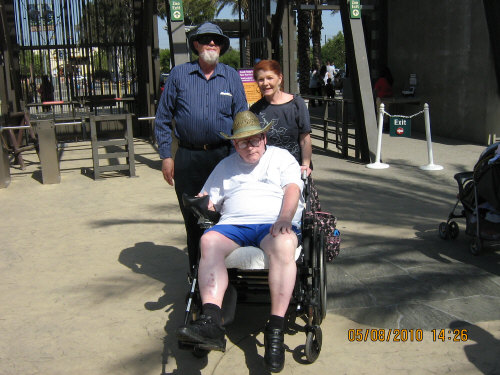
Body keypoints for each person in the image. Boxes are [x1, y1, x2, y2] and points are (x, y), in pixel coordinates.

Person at [177, 111, 304, 373]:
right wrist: (203, 203)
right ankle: (211, 321)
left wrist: (284, 218)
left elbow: (292, 189)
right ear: (234, 144)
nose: (250, 146)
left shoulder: (281, 158)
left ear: (264, 137)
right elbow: (210, 201)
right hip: (233, 224)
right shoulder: (224, 166)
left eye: (255, 140)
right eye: (242, 142)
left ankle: (276, 328)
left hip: (273, 222)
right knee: (209, 241)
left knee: (283, 245)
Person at [155, 22, 248, 272]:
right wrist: (166, 156)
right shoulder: (179, 75)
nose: (211, 44)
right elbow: (163, 118)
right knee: (193, 220)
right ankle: (196, 278)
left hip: (224, 158)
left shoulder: (231, 76)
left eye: (216, 41)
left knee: (225, 216)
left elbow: (243, 120)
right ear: (196, 44)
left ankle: (226, 275)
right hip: (188, 159)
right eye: (206, 39)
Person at [250, 59, 312, 177]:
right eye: (261, 79)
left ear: (280, 78)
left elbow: (305, 139)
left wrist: (305, 165)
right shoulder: (255, 110)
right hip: (268, 172)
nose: (265, 83)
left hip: (295, 169)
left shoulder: (297, 104)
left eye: (270, 78)